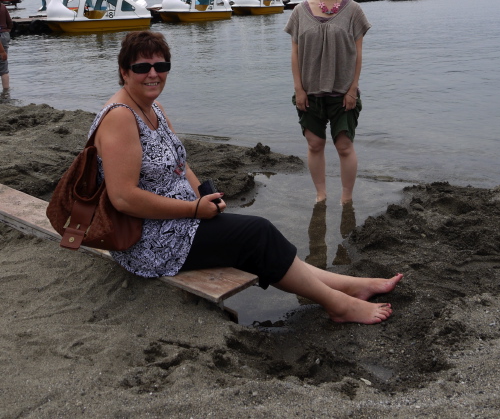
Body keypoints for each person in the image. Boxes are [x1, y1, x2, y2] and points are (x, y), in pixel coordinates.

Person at [92, 30, 402, 324]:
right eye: (142, 66)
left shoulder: (152, 107)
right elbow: (123, 198)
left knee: (257, 238)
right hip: (148, 241)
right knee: (257, 234)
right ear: (124, 71)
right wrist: (193, 209)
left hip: (179, 222)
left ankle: (348, 286)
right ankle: (340, 305)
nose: (153, 73)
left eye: (161, 65)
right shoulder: (120, 116)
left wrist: (202, 194)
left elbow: (179, 165)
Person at [284, 0, 371, 204]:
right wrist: (299, 89)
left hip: (343, 92)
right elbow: (295, 53)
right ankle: (321, 194)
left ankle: (346, 197)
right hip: (310, 92)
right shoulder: (300, 11)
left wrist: (353, 88)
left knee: (344, 146)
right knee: (314, 145)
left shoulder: (353, 10)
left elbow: (358, 54)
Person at [0, 2, 13, 91]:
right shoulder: (2, 6)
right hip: (4, 34)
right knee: (4, 66)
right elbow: (10, 22)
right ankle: (6, 93)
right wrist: (7, 30)